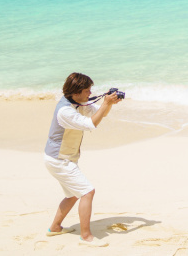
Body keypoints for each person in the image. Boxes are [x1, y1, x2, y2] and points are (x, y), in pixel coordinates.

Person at [44, 72, 123, 246]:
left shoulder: (78, 103)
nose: (90, 93)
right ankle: (86, 236)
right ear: (76, 92)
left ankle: (55, 228)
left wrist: (109, 104)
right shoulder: (65, 111)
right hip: (59, 160)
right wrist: (106, 103)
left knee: (73, 194)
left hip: (63, 158)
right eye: (87, 90)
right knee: (87, 192)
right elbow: (90, 124)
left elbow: (100, 114)